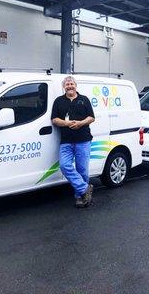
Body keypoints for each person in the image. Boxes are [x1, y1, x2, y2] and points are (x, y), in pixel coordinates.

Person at [51, 76, 95, 207]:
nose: (70, 86)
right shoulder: (58, 101)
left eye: (71, 84)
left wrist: (80, 123)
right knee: (64, 165)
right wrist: (66, 123)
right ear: (63, 87)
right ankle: (85, 189)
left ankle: (81, 197)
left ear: (76, 85)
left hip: (83, 140)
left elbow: (91, 117)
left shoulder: (84, 99)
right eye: (67, 84)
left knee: (82, 170)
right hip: (66, 141)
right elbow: (54, 119)